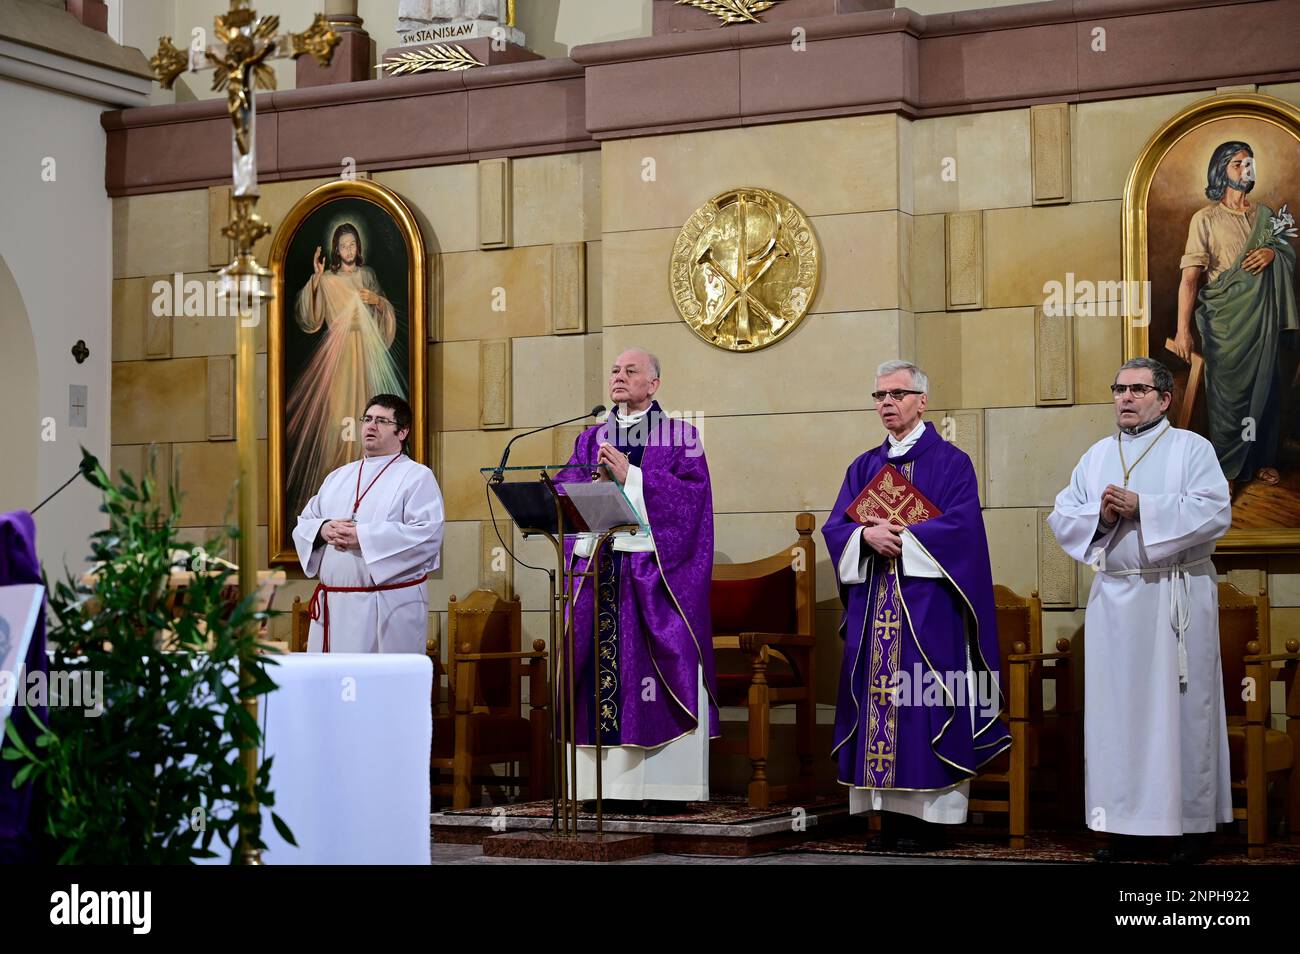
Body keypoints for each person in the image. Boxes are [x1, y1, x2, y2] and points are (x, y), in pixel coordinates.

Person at [1048, 357, 1232, 864]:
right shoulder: (1096, 455)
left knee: (1181, 713)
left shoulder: (1192, 449)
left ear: (1164, 399)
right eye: (1118, 388)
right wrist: (1102, 516)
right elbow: (1063, 515)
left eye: (1137, 389)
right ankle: (1123, 826)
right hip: (1116, 601)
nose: (1125, 398)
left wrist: (1143, 506)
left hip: (1177, 600)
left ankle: (1189, 828)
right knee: (1117, 717)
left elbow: (1216, 511)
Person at [823, 360, 1009, 851]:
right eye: (879, 395)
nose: (887, 403)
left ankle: (932, 823)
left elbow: (964, 531)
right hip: (874, 607)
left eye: (897, 394)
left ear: (922, 401)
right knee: (880, 708)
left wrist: (906, 537)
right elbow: (835, 527)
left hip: (929, 610)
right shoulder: (863, 466)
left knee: (924, 704)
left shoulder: (951, 463)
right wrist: (865, 535)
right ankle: (887, 821)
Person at [553, 348, 718, 809]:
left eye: (631, 371)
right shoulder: (591, 439)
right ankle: (597, 790)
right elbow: (566, 492)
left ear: (654, 384)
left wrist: (635, 479)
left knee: (656, 668)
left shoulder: (680, 436)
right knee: (593, 671)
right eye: (615, 371)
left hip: (653, 576)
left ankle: (663, 788)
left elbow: (692, 505)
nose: (619, 377)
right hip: (602, 570)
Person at [1171, 140, 1299, 489]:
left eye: (1249, 163)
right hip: (1225, 323)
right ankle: (1227, 467)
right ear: (1221, 170)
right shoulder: (1205, 219)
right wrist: (1184, 330)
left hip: (1263, 321)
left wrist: (1274, 255)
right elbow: (1190, 279)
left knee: (1266, 389)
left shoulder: (1267, 217)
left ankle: (1260, 459)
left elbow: (1287, 257)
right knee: (1228, 399)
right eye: (1238, 164)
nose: (1246, 169)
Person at [293, 394, 443, 654]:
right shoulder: (338, 477)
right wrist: (323, 528)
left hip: (385, 606)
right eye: (368, 419)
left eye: (382, 421)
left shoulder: (417, 477)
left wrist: (363, 537)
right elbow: (305, 523)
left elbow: (427, 535)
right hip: (333, 607)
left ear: (403, 431)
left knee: (380, 689)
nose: (371, 426)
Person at [287, 222, 407, 517]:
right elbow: (310, 318)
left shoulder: (367, 276)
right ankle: (339, 485)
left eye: (353, 244)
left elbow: (384, 312)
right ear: (336, 250)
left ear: (359, 247)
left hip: (366, 353)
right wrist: (315, 279)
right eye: (344, 246)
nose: (349, 250)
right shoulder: (327, 280)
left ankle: (369, 484)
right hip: (338, 356)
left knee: (368, 412)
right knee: (337, 420)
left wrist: (378, 301)